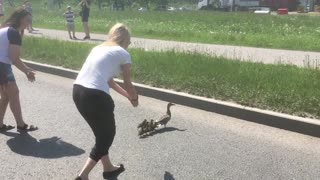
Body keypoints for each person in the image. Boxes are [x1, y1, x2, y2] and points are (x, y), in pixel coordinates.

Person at [73, 23, 138, 180]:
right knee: (107, 136)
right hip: (96, 97)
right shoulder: (123, 53)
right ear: (125, 39)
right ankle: (82, 176)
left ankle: (108, 168)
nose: (130, 44)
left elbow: (109, 81)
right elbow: (128, 83)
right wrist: (134, 97)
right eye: (129, 40)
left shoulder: (98, 48)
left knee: (100, 133)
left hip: (78, 91)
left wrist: (127, 96)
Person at [0, 8, 37, 132]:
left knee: (5, 96)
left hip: (2, 64)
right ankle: (21, 125)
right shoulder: (14, 32)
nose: (29, 23)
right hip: (2, 65)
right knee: (14, 93)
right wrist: (27, 71)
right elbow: (14, 58)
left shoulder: (5, 28)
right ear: (21, 19)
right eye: (28, 20)